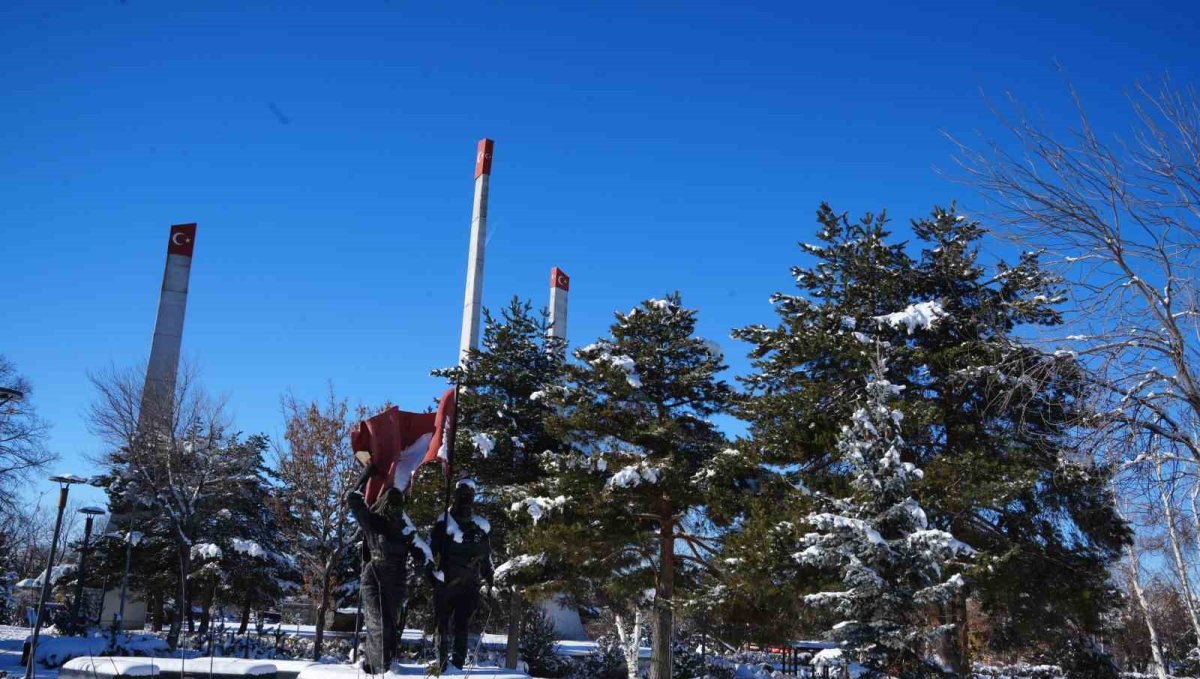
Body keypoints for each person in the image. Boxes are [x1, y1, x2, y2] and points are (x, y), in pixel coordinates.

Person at [346, 463, 439, 674]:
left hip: (396, 580)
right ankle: (381, 671)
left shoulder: (405, 530)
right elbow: (353, 499)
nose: (395, 508)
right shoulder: (373, 522)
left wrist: (426, 572)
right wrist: (368, 473)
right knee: (378, 623)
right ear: (385, 504)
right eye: (392, 504)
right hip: (374, 576)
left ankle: (376, 666)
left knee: (389, 627)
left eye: (399, 505)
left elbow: (421, 553)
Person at [431, 479, 494, 671]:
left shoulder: (480, 527)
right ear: (456, 497)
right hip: (446, 583)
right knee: (441, 625)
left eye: (469, 496)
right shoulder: (444, 523)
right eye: (462, 496)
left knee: (462, 626)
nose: (466, 500)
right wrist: (431, 573)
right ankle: (441, 665)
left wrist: (490, 579)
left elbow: (486, 557)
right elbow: (430, 551)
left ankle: (457, 666)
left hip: (469, 586)